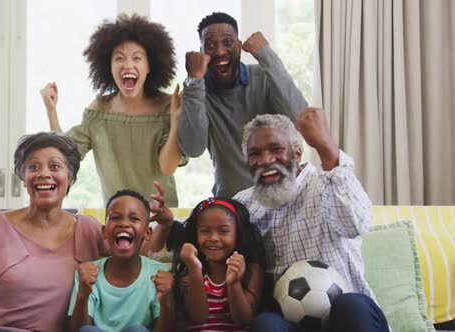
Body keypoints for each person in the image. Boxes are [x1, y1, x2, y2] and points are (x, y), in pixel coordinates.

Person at [0, 132, 173, 332]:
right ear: (23, 177)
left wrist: (163, 224)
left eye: (55, 166)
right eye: (34, 167)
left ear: (70, 178)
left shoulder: (88, 229)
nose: (44, 174)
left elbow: (136, 263)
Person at [233, 110, 389, 331]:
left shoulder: (328, 182)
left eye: (276, 150)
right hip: (287, 321)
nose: (266, 161)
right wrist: (168, 223)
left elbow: (358, 224)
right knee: (265, 324)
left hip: (347, 318)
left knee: (351, 305)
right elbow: (209, 237)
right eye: (254, 154)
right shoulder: (245, 203)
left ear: (297, 154)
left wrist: (325, 146)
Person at [41, 14, 186, 207]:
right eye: (119, 58)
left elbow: (167, 168)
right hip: (117, 221)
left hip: (161, 220)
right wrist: (51, 110)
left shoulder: (168, 106)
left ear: (149, 65)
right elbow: (64, 156)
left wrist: (176, 120)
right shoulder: (99, 109)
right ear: (108, 67)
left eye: (137, 58)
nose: (128, 64)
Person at [178, 12, 307, 198]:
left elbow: (300, 118)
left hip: (281, 200)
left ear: (239, 45)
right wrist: (194, 80)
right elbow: (193, 148)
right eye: (210, 45)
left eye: (228, 43)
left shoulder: (263, 78)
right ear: (201, 52)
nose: (220, 51)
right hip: (233, 209)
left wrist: (266, 55)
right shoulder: (196, 92)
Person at [68, 190, 174, 332]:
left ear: (147, 233)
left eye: (134, 219)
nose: (124, 223)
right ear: (104, 232)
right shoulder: (88, 273)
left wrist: (166, 300)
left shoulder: (159, 274)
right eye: (115, 218)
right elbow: (79, 329)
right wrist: (83, 294)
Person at [172, 197, 265, 331]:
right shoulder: (190, 268)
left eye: (223, 231)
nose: (213, 238)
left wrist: (234, 284)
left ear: (238, 234)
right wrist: (195, 271)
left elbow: (243, 320)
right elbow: (198, 317)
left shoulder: (251, 268)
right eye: (205, 231)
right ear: (195, 233)